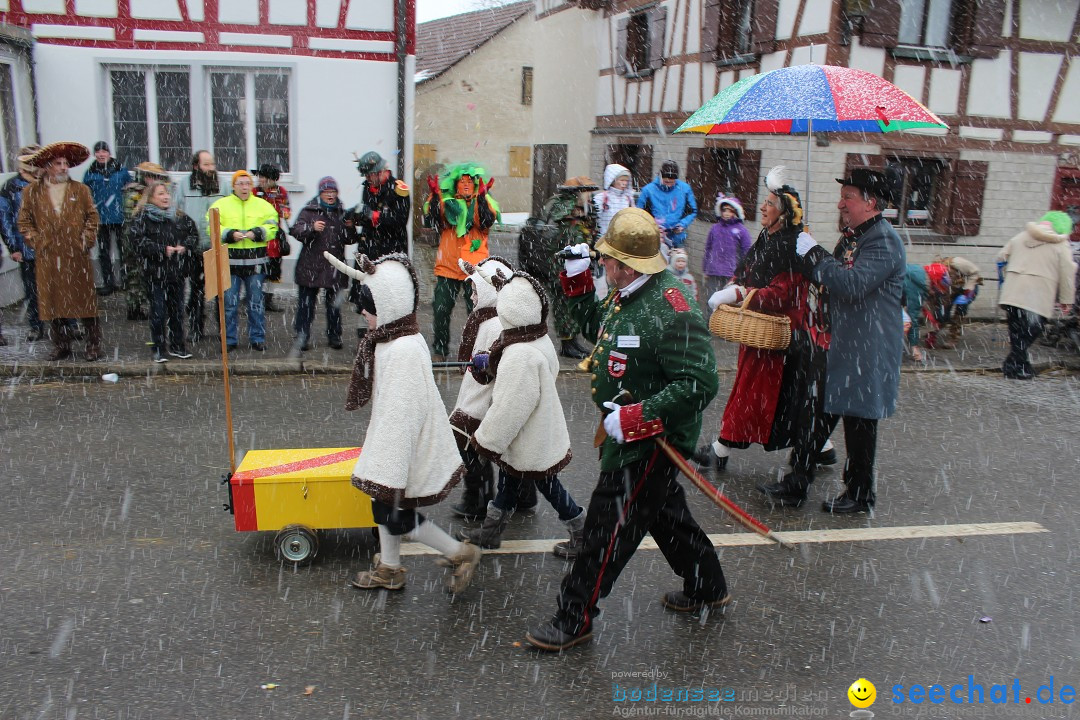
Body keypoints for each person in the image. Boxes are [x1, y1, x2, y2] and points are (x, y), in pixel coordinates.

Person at [525, 207, 729, 652]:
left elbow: (700, 383)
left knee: (606, 529)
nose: (602, 264)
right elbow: (594, 327)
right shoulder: (626, 291)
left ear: (625, 264)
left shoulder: (671, 307)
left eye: (604, 259)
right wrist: (576, 279)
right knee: (663, 513)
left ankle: (574, 616)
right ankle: (707, 584)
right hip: (625, 433)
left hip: (651, 441)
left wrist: (638, 417)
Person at [323, 252, 483, 594]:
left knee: (395, 513)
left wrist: (389, 463)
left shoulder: (404, 349)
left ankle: (460, 553)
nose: (362, 312)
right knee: (383, 508)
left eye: (368, 306)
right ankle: (390, 568)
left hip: (403, 447)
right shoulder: (390, 340)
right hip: (393, 444)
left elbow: (404, 413)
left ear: (388, 304)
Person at [700, 169, 831, 508]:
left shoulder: (793, 245)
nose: (763, 208)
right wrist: (733, 284)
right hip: (756, 327)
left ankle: (721, 448)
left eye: (770, 204)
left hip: (779, 333)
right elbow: (746, 269)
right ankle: (824, 448)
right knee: (787, 400)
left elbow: (783, 295)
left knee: (756, 395)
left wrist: (739, 293)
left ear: (784, 212)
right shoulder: (767, 238)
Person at [794, 168, 906, 513]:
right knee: (816, 414)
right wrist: (810, 258)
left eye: (849, 197)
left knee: (858, 423)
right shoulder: (855, 236)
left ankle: (860, 494)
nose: (841, 203)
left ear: (871, 202)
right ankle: (795, 483)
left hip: (866, 348)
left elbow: (852, 284)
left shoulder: (883, 240)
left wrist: (815, 255)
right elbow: (832, 278)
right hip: (840, 342)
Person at [457, 262, 585, 557]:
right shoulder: (536, 339)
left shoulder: (519, 354)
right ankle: (490, 532)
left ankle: (580, 530)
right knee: (509, 481)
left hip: (528, 434)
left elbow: (510, 407)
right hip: (536, 429)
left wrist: (486, 440)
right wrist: (489, 361)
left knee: (548, 485)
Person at [17, 142, 103, 361]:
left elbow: (92, 217)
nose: (64, 167)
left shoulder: (80, 190)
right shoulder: (32, 192)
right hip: (48, 256)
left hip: (76, 254)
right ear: (47, 166)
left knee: (84, 302)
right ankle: (61, 344)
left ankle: (93, 345)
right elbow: (24, 221)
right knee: (53, 302)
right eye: (58, 163)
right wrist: (36, 241)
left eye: (66, 163)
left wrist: (86, 239)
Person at [446, 257, 511, 521]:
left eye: (475, 291)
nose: (472, 297)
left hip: (484, 397)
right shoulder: (485, 319)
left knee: (468, 443)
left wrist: (485, 363)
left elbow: (496, 365)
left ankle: (478, 499)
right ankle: (518, 494)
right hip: (476, 392)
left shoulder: (495, 323)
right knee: (496, 450)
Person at [425, 163, 498, 361]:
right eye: (462, 181)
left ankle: (474, 352)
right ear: (455, 185)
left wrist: (482, 198)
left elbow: (485, 222)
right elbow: (432, 220)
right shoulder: (446, 202)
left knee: (475, 313)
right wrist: (433, 196)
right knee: (440, 310)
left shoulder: (482, 201)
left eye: (469, 181)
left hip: (473, 269)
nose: (465, 184)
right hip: (448, 266)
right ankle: (440, 350)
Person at [996, 211, 1077, 379]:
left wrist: (1010, 275)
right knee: (1033, 329)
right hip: (1038, 294)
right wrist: (1066, 299)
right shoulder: (1061, 244)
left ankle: (1018, 367)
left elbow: (1001, 257)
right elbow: (1067, 273)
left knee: (1016, 330)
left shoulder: (1020, 237)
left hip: (1014, 291)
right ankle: (1015, 366)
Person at [208, 170, 278, 352]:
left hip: (256, 263)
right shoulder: (220, 205)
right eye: (240, 183)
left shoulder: (263, 205)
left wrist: (258, 232)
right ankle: (229, 340)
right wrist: (229, 234)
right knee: (229, 304)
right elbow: (211, 226)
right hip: (230, 264)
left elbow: (273, 226)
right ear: (233, 186)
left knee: (256, 303)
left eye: (248, 183)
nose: (245, 187)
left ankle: (257, 338)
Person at [129, 181, 198, 362]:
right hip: (154, 273)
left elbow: (193, 234)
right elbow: (137, 242)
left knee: (177, 311)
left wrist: (185, 246)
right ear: (151, 198)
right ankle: (159, 347)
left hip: (176, 272)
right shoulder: (142, 218)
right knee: (158, 312)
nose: (166, 197)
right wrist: (161, 249)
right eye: (160, 194)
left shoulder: (179, 217)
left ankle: (178, 346)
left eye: (166, 193)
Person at [290, 177, 358, 350]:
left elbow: (350, 240)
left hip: (334, 266)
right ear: (320, 193)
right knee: (306, 305)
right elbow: (296, 231)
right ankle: (302, 336)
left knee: (334, 306)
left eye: (333, 192)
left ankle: (334, 336)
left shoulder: (342, 212)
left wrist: (350, 227)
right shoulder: (309, 210)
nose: (330, 195)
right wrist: (311, 228)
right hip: (311, 266)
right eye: (327, 192)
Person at [177, 150, 228, 341]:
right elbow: (178, 212)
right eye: (206, 164)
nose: (210, 168)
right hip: (193, 247)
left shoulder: (223, 184)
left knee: (219, 292)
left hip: (216, 246)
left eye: (212, 164)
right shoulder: (184, 185)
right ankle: (196, 328)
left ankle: (223, 331)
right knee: (196, 291)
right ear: (196, 166)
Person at [0, 144, 46, 342]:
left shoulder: (50, 182)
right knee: (33, 290)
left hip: (51, 247)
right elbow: (5, 218)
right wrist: (13, 246)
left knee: (61, 288)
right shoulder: (12, 186)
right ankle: (36, 325)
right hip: (26, 247)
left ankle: (68, 325)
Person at [121, 162, 174, 322]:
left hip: (146, 239)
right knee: (134, 275)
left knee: (144, 275)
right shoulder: (134, 192)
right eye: (154, 178)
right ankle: (134, 307)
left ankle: (146, 305)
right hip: (134, 239)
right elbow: (131, 216)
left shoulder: (150, 192)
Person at [83, 141, 132, 297]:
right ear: (95, 154)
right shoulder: (90, 172)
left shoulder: (121, 170)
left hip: (119, 217)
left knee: (123, 250)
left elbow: (130, 187)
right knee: (104, 252)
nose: (101, 154)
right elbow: (85, 193)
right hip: (100, 218)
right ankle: (108, 283)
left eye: (104, 151)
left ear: (109, 153)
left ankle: (125, 281)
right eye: (98, 151)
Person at [251, 163, 291, 313]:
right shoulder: (254, 192)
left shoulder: (281, 192)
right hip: (256, 235)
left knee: (272, 270)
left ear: (271, 179)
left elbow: (286, 212)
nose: (260, 179)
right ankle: (254, 298)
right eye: (259, 177)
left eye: (263, 177)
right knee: (256, 269)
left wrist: (283, 210)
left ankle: (268, 299)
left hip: (274, 236)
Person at [636, 160, 697, 250]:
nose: (669, 185)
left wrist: (682, 224)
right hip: (655, 236)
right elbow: (640, 213)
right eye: (666, 182)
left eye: (672, 182)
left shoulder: (684, 189)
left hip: (677, 237)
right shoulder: (648, 190)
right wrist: (652, 226)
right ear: (660, 176)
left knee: (678, 263)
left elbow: (692, 211)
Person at [702, 193, 752, 300]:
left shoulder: (741, 231)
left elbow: (747, 252)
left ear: (736, 212)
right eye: (724, 210)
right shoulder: (715, 228)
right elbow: (708, 249)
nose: (727, 213)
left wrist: (744, 273)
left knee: (726, 302)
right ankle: (709, 317)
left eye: (730, 210)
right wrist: (705, 268)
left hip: (732, 273)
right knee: (711, 300)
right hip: (714, 271)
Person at [936, 256, 982, 346]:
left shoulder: (957, 263)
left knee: (960, 310)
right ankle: (937, 328)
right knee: (944, 311)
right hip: (952, 289)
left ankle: (954, 337)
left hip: (968, 288)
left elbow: (975, 272)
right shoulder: (937, 272)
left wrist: (968, 288)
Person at [593, 164, 634, 240]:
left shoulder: (629, 199)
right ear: (612, 180)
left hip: (623, 241)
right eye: (622, 180)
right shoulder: (602, 198)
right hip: (604, 240)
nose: (624, 183)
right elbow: (593, 218)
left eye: (626, 180)